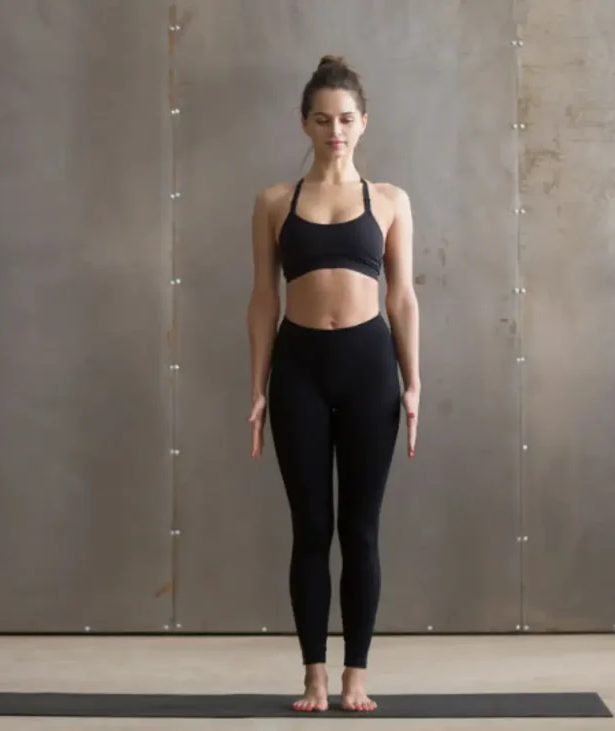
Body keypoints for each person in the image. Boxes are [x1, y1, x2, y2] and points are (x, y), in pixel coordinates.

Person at [245, 55, 420, 713]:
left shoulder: (391, 200)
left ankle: (357, 674)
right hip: (300, 371)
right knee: (311, 526)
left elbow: (402, 299)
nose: (335, 130)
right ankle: (315, 674)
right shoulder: (273, 202)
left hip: (371, 367)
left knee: (362, 529)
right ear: (305, 123)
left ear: (363, 122)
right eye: (322, 119)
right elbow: (263, 298)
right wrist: (258, 384)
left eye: (346, 119)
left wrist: (414, 381)